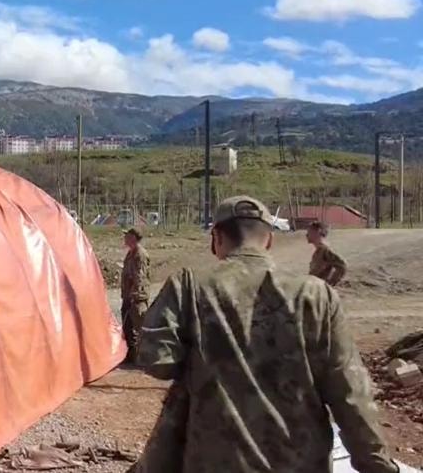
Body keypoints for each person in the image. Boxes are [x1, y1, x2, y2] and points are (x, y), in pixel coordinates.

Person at [133, 196, 398, 473]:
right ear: (269, 239)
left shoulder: (188, 286)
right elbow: (350, 392)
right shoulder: (317, 295)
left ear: (217, 238)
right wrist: (377, 465)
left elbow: (157, 360)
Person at [119, 227, 151, 363]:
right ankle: (131, 355)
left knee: (139, 326)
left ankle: (145, 356)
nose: (124, 238)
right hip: (128, 295)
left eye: (127, 236)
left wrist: (136, 294)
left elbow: (140, 277)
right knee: (128, 326)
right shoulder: (131, 253)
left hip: (136, 297)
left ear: (133, 238)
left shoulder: (140, 254)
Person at [308, 221, 349, 287]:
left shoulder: (326, 250)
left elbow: (342, 265)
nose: (307, 235)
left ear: (318, 232)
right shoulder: (319, 250)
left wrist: (330, 284)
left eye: (309, 232)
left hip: (321, 288)